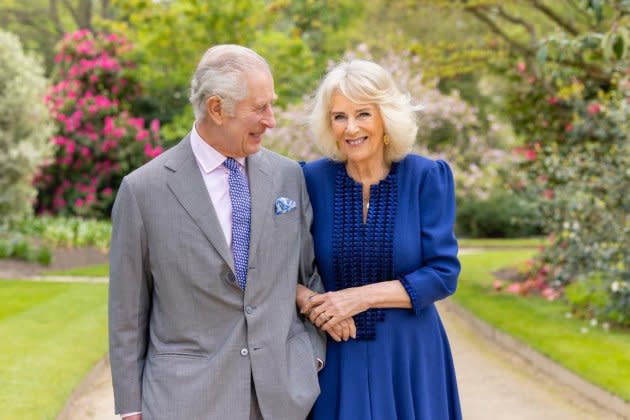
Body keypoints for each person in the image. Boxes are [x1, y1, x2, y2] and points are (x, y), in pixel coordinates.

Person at [108, 44, 326, 420]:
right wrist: (130, 408)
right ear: (216, 108)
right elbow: (128, 309)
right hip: (185, 402)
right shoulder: (143, 191)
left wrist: (311, 357)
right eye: (260, 108)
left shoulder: (290, 177)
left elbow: (309, 273)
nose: (271, 120)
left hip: (281, 398)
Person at [298, 59, 462, 419]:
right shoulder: (308, 180)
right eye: (339, 116)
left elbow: (443, 273)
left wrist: (356, 298)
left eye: (363, 114)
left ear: (385, 117)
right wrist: (315, 304)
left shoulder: (426, 177)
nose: (350, 128)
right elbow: (279, 267)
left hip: (412, 358)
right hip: (336, 355)